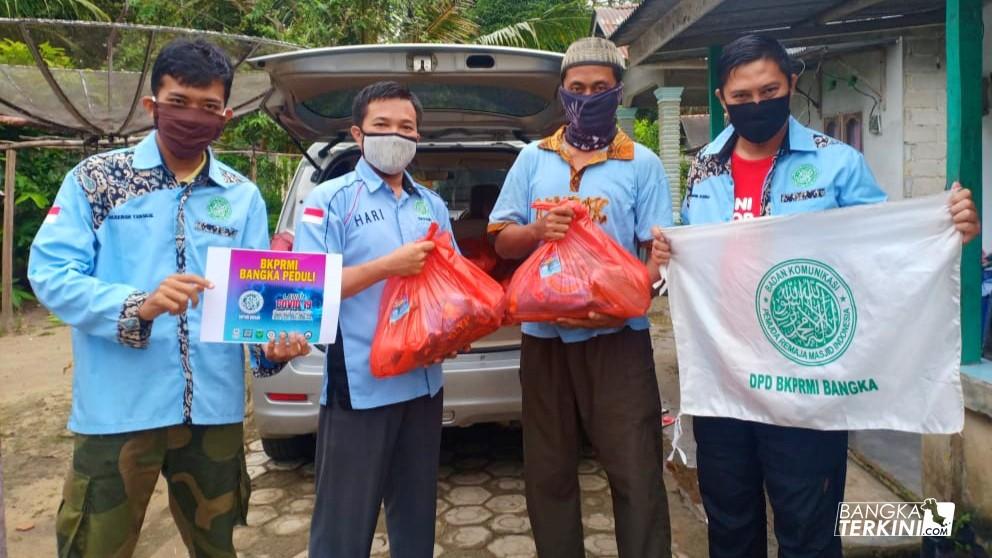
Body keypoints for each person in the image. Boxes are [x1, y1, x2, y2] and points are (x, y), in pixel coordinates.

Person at [652, 34, 979, 558]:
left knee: (807, 526)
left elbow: (881, 250)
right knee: (730, 521)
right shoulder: (704, 169)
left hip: (807, 378)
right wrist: (674, 253)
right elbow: (701, 256)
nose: (755, 104)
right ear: (722, 100)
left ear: (791, 85)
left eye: (769, 90)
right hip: (724, 377)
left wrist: (941, 229)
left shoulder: (837, 163)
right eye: (741, 96)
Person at [28, 39, 309, 557]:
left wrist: (270, 349)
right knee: (95, 547)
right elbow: (49, 273)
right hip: (119, 412)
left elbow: (252, 301)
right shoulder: (98, 180)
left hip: (213, 412)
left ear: (224, 114)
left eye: (207, 107)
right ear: (152, 105)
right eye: (178, 102)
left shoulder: (239, 194)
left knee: (217, 547)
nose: (192, 117)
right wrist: (139, 303)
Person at [488, 37, 673, 557]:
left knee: (635, 468)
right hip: (544, 339)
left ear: (617, 92)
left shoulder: (642, 163)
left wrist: (655, 270)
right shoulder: (532, 159)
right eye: (577, 88)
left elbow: (652, 254)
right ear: (562, 94)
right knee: (548, 470)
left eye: (599, 87)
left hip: (618, 341)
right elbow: (502, 238)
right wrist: (538, 230)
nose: (587, 96)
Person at [295, 81, 454, 558]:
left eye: (406, 127)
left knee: (415, 517)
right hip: (359, 386)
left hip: (423, 384)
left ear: (417, 137)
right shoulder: (330, 201)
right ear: (358, 134)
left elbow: (451, 281)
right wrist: (387, 266)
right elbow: (308, 291)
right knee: (343, 525)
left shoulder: (432, 204)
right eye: (382, 125)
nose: (395, 135)